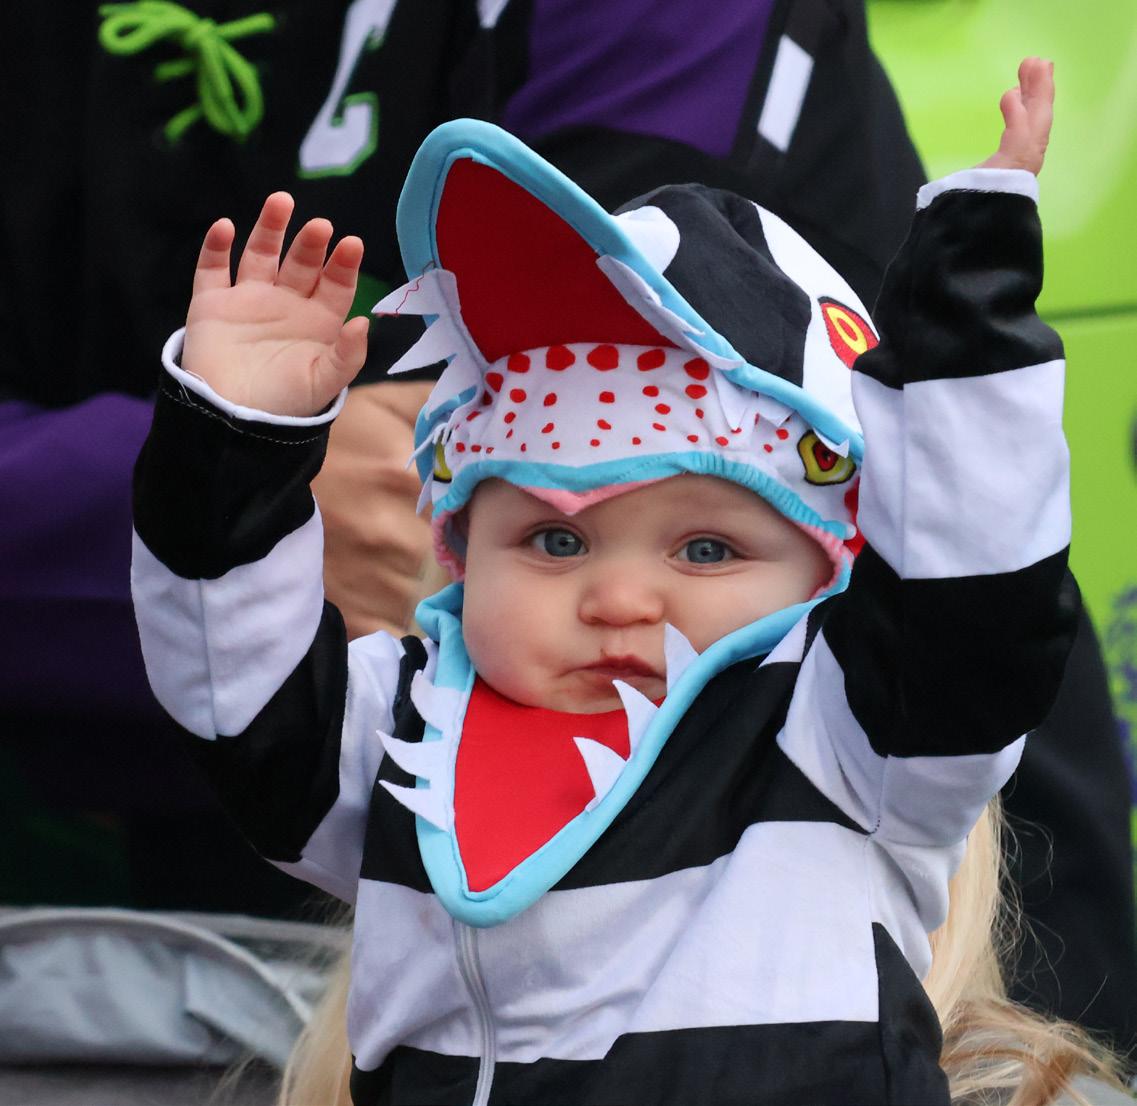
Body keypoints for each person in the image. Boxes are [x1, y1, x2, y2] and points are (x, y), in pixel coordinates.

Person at [128, 58, 1130, 1104]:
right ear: (462, 552)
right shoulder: (414, 725)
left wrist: (969, 323)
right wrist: (233, 439)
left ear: (833, 575)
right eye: (555, 542)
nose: (618, 600)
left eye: (706, 550)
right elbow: (231, 687)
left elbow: (975, 611)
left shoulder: (841, 738)